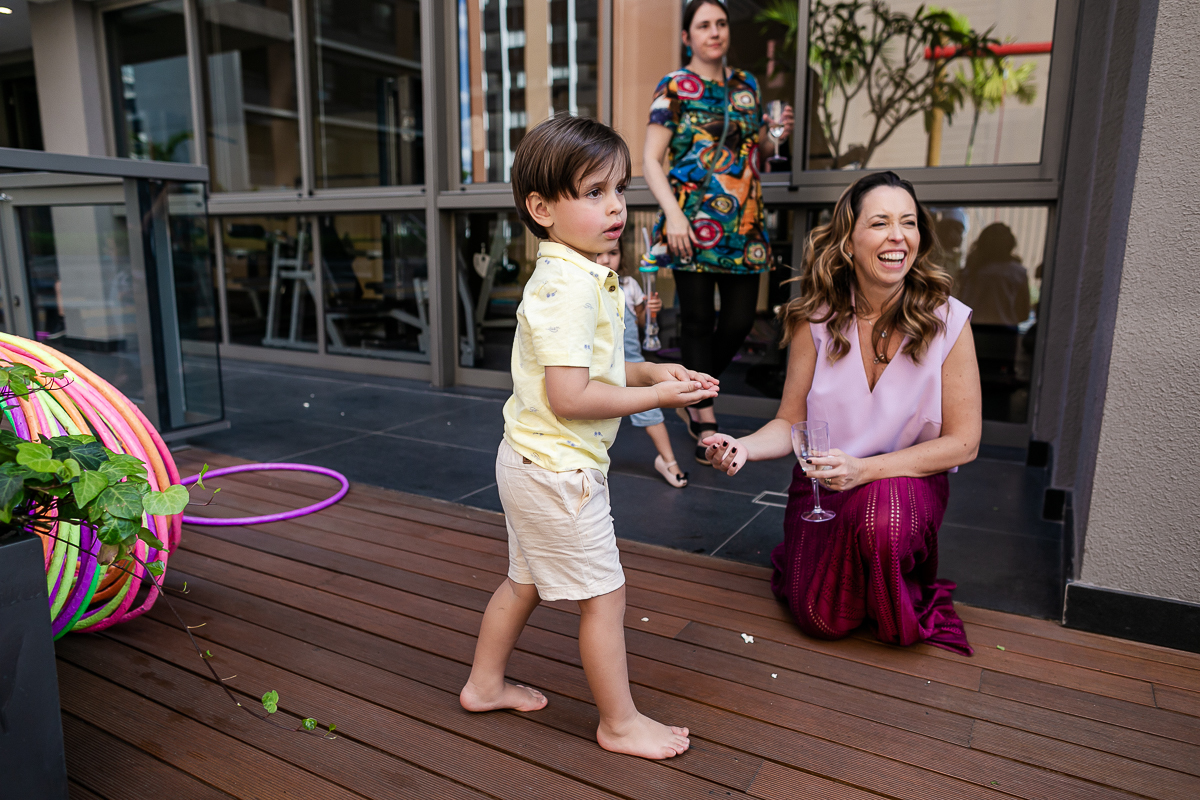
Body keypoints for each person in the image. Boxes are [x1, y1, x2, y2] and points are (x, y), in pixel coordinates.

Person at [459, 115, 719, 759]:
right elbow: (571, 398)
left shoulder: (579, 274)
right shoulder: (567, 288)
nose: (614, 208)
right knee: (605, 595)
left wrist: (652, 369)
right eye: (593, 192)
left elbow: (593, 371)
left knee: (523, 580)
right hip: (557, 470)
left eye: (618, 190)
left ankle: (484, 684)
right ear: (541, 208)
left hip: (531, 460)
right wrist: (657, 396)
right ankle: (619, 723)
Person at [701, 171, 982, 656]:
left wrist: (865, 471)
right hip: (823, 487)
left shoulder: (947, 320)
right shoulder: (816, 318)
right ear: (849, 241)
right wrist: (740, 447)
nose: (898, 236)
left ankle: (889, 580)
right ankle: (864, 583)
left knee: (884, 517)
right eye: (880, 223)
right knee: (817, 617)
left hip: (904, 487)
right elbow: (790, 423)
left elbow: (965, 441)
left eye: (908, 223)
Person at [642, 0, 793, 464]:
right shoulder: (674, 86)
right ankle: (703, 412)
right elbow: (650, 159)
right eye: (703, 24)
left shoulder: (745, 83)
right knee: (697, 322)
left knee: (739, 321)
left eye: (721, 23)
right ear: (687, 36)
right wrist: (676, 217)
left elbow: (756, 150)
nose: (715, 31)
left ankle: (693, 391)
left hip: (743, 223)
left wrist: (775, 136)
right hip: (691, 223)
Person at [596, 239, 689, 488]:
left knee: (652, 412)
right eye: (600, 254)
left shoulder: (629, 285)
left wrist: (650, 311)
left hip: (632, 360)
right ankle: (592, 463)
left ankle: (668, 461)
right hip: (600, 365)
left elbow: (642, 323)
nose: (606, 259)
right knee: (595, 417)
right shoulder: (587, 285)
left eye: (613, 253)